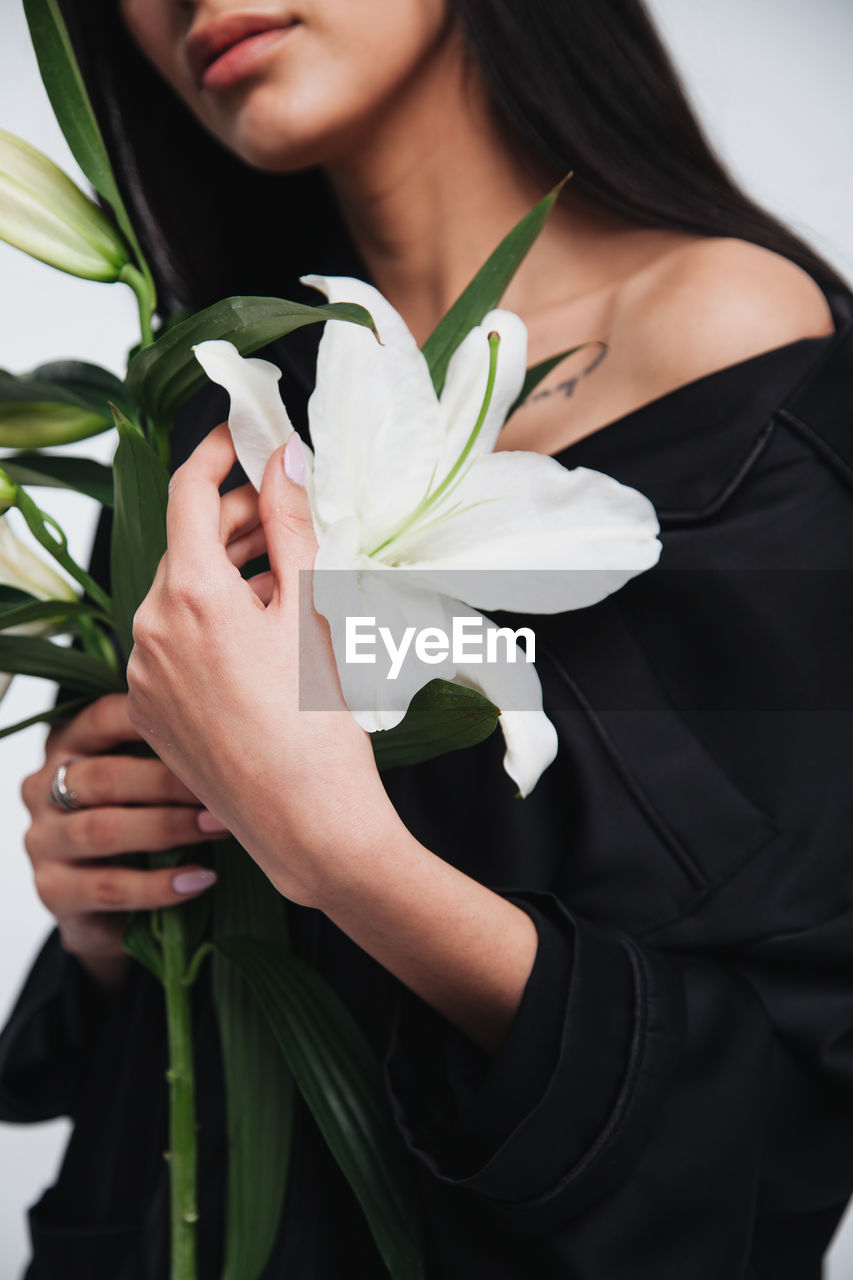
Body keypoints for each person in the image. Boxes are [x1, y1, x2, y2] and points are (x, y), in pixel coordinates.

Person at [1, 1, 852, 1276]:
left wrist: (341, 850)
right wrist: (104, 886)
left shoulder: (736, 357)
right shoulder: (223, 398)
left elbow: (773, 1099)